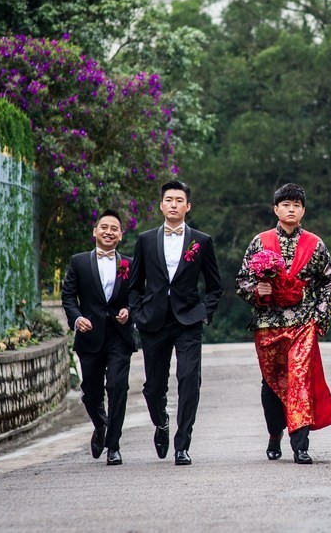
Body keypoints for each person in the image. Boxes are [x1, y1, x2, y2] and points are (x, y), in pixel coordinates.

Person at [235, 183, 331, 465]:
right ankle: (274, 432)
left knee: (299, 380)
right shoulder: (260, 242)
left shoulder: (316, 244)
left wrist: (319, 318)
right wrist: (257, 291)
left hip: (302, 322)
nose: (291, 209)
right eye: (286, 205)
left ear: (303, 211)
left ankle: (300, 445)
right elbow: (241, 280)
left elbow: (328, 283)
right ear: (276, 209)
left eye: (296, 205)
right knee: (271, 384)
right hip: (268, 324)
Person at [128, 180, 223, 466]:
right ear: (161, 205)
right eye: (169, 200)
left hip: (188, 320)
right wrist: (137, 313)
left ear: (187, 206)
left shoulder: (201, 241)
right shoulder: (146, 240)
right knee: (153, 387)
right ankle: (161, 422)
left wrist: (203, 312)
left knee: (189, 379)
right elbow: (134, 285)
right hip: (153, 321)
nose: (173, 204)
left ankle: (183, 445)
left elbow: (215, 286)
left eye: (179, 200)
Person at [61, 210, 136, 466]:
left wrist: (129, 311)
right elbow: (68, 296)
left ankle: (113, 446)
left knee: (117, 387)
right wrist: (77, 318)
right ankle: (101, 425)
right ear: (95, 231)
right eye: (104, 227)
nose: (108, 232)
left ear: (121, 235)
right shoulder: (79, 262)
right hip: (89, 334)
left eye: (114, 228)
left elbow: (138, 295)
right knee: (91, 393)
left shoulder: (129, 264)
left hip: (119, 336)